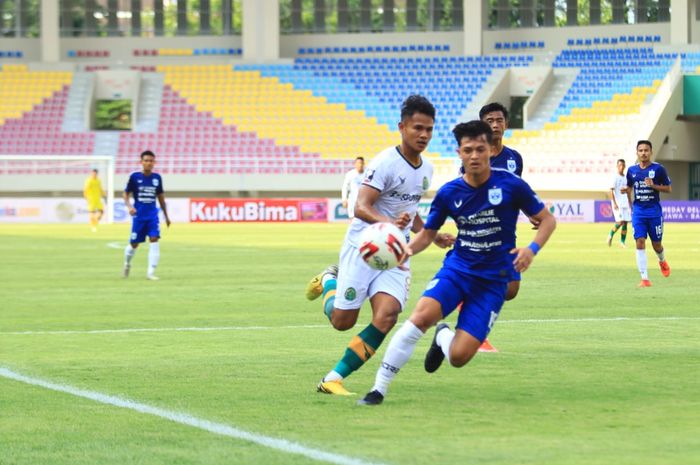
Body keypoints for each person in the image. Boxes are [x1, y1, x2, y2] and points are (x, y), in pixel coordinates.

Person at [357, 120, 556, 405]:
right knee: (419, 318)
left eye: (480, 149)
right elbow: (427, 235)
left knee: (459, 358)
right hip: (458, 270)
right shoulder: (449, 193)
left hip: (493, 280)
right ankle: (378, 389)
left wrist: (532, 249)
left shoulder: (512, 185)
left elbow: (548, 220)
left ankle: (443, 337)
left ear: (490, 150)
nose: (474, 155)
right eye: (468, 150)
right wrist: (406, 252)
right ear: (459, 153)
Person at [304, 95, 455, 396]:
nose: (424, 135)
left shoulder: (427, 169)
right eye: (417, 128)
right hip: (365, 248)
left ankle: (333, 378)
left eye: (429, 129)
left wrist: (431, 234)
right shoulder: (385, 163)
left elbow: (408, 211)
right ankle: (329, 280)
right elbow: (361, 206)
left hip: (396, 253)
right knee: (342, 322)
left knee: (387, 316)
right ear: (402, 127)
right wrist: (386, 225)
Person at [626, 140, 672, 287]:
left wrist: (654, 186)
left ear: (651, 152)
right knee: (639, 241)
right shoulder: (632, 171)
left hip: (654, 212)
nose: (643, 153)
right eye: (640, 150)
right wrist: (629, 201)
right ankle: (645, 279)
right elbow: (629, 187)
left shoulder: (658, 169)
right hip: (639, 212)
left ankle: (662, 261)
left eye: (646, 150)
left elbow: (668, 188)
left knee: (656, 244)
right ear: (637, 153)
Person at [122, 150, 171, 280]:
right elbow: (126, 194)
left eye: (151, 161)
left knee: (154, 239)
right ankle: (127, 263)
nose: (149, 163)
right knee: (134, 244)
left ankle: (150, 273)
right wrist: (129, 206)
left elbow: (161, 197)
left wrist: (166, 215)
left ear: (154, 162)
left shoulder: (157, 178)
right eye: (146, 160)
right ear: (141, 162)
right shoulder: (134, 177)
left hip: (152, 216)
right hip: (139, 216)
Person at [607, 159, 631, 247]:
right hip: (618, 203)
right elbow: (610, 191)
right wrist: (614, 203)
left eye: (623, 165)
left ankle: (622, 242)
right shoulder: (615, 177)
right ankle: (610, 235)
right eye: (620, 165)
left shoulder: (625, 178)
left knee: (625, 223)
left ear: (624, 166)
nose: (621, 167)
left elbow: (628, 191)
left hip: (625, 203)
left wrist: (630, 203)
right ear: (617, 166)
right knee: (620, 222)